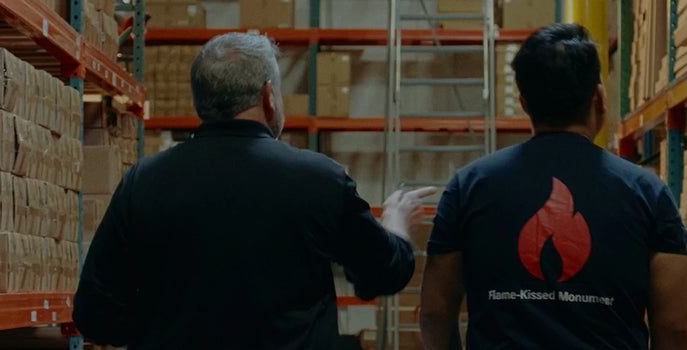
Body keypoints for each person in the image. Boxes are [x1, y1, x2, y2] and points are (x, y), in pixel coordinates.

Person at [73, 33, 436, 349]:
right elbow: (382, 272)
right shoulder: (319, 179)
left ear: (201, 100)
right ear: (269, 97)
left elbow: (95, 315)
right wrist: (396, 222)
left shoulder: (143, 182)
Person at [418, 23, 687, 350]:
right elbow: (675, 327)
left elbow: (435, 312)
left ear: (523, 103)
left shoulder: (468, 186)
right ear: (599, 99)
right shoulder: (648, 192)